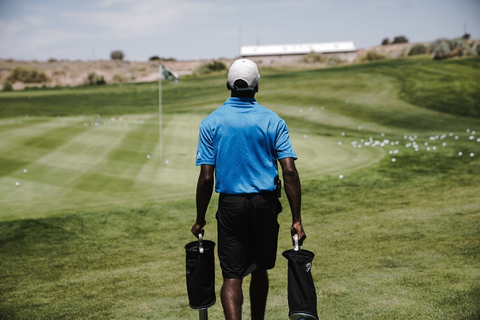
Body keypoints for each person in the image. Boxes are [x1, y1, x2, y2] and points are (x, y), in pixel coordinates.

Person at [191, 58, 306, 320]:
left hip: (231, 206)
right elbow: (289, 171)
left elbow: (206, 178)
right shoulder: (273, 121)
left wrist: (200, 219)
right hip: (264, 204)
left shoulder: (211, 122)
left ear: (228, 85)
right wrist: (296, 219)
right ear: (257, 87)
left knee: (232, 275)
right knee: (259, 268)